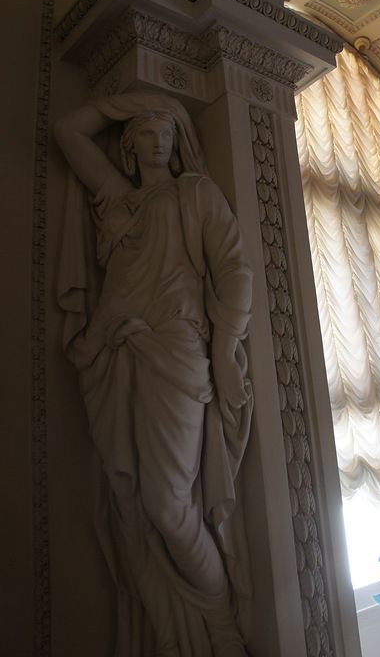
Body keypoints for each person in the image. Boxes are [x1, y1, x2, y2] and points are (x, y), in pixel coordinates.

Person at [55, 92, 253, 657]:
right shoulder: (117, 197)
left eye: (167, 130)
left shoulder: (196, 193)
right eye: (146, 131)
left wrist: (225, 347)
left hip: (174, 349)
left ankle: (220, 625)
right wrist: (134, 100)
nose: (158, 139)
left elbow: (235, 270)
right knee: (128, 505)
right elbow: (69, 131)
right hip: (111, 351)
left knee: (168, 504)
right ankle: (167, 635)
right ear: (128, 145)